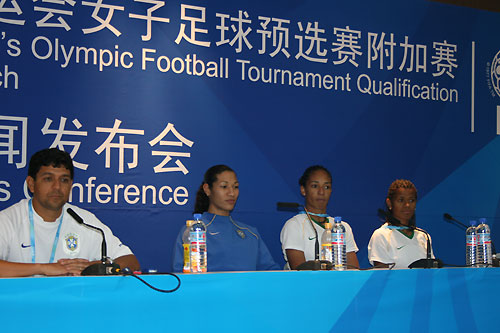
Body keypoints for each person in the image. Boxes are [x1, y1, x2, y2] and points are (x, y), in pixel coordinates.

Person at [0, 148, 140, 277]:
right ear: (31, 184)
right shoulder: (8, 220)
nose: (57, 187)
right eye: (48, 179)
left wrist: (96, 267)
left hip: (72, 302)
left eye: (64, 180)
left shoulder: (84, 220)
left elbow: (131, 262)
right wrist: (43, 268)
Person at [172, 165, 279, 272]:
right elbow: (182, 278)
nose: (231, 193)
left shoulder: (251, 234)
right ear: (207, 189)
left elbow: (272, 274)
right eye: (224, 187)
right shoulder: (194, 232)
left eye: (235, 187)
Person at [280, 165, 359, 270]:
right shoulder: (294, 225)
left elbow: (354, 270)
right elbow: (299, 271)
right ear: (303, 190)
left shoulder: (342, 227)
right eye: (315, 186)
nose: (321, 192)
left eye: (326, 187)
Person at [367, 179, 435, 269]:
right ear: (389, 203)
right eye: (401, 200)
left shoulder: (424, 236)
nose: (407, 205)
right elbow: (382, 277)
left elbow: (431, 272)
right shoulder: (381, 235)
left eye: (411, 200)